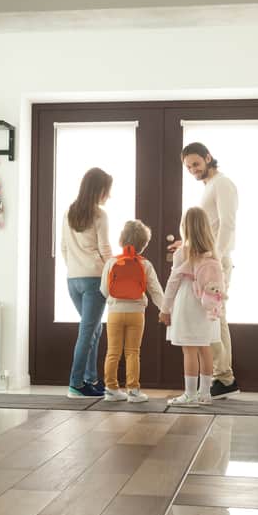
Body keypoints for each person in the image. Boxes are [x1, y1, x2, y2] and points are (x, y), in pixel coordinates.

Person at [173, 142, 240, 399]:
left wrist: (215, 255)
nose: (193, 170)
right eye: (188, 167)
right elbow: (210, 226)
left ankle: (224, 378)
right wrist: (190, 245)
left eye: (196, 164)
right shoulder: (209, 187)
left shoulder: (222, 184)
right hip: (206, 260)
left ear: (208, 158)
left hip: (215, 263)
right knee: (213, 318)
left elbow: (228, 223)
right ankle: (222, 377)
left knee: (214, 317)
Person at [160, 207, 225, 406]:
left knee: (189, 349)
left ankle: (189, 394)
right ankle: (205, 394)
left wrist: (165, 308)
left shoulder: (183, 253)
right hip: (207, 306)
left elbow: (173, 281)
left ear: (185, 227)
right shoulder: (213, 253)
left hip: (188, 301)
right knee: (205, 347)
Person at [60, 167, 113, 398]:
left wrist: (75, 267)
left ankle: (91, 379)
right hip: (93, 278)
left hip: (73, 279)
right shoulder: (99, 214)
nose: (108, 196)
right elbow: (104, 249)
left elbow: (63, 247)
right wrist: (115, 270)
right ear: (99, 190)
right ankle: (76, 384)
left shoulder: (69, 212)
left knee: (94, 329)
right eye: (107, 191)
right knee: (87, 331)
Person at [99, 220, 165, 403]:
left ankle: (111, 390)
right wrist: (166, 310)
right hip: (136, 314)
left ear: (122, 239)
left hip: (115, 313)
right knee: (132, 352)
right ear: (143, 244)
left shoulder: (112, 262)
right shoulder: (146, 265)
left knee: (113, 351)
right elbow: (156, 291)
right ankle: (134, 391)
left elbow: (104, 290)